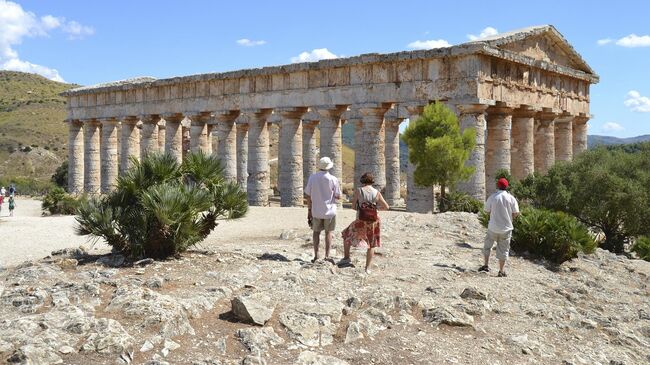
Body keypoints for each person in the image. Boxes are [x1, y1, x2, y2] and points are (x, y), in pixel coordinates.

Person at [340, 172, 389, 274]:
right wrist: (375, 208)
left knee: (346, 235)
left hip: (361, 220)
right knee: (372, 244)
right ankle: (367, 268)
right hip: (374, 221)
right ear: (372, 181)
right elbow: (386, 207)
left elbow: (353, 206)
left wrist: (362, 208)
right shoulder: (377, 192)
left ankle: (346, 257)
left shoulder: (359, 191)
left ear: (362, 181)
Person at [479, 177, 519, 277]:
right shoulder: (511, 198)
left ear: (498, 186)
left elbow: (487, 211)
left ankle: (486, 265)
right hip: (506, 228)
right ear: (507, 186)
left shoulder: (492, 197)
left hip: (493, 227)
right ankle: (501, 270)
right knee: (504, 249)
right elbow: (516, 213)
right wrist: (510, 218)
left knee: (487, 246)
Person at [305, 156, 342, 263]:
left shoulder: (312, 177)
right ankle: (327, 255)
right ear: (329, 167)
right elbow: (338, 196)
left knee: (316, 233)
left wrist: (309, 209)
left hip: (316, 210)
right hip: (330, 211)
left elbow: (307, 194)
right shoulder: (333, 179)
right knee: (328, 233)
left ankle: (316, 255)